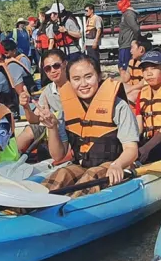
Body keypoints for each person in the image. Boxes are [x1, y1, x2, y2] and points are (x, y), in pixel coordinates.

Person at [40, 55, 140, 193]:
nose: (83, 84)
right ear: (69, 81)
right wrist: (52, 128)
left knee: (92, 175)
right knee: (62, 173)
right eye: (76, 79)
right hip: (83, 165)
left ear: (99, 76)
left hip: (114, 165)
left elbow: (131, 149)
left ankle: (72, 203)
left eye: (88, 77)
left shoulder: (119, 106)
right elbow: (58, 156)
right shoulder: (67, 109)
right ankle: (34, 202)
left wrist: (118, 165)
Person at [15, 47, 70, 155]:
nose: (52, 71)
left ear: (65, 64)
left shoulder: (76, 86)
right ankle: (9, 158)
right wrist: (26, 106)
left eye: (56, 66)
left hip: (71, 129)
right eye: (47, 68)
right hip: (53, 129)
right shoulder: (48, 91)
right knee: (31, 129)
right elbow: (34, 121)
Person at [116, 0, 140, 81]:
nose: (118, 3)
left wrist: (136, 40)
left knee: (125, 67)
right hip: (124, 44)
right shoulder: (125, 13)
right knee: (121, 66)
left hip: (127, 44)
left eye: (120, 1)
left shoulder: (129, 14)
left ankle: (128, 84)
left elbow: (136, 28)